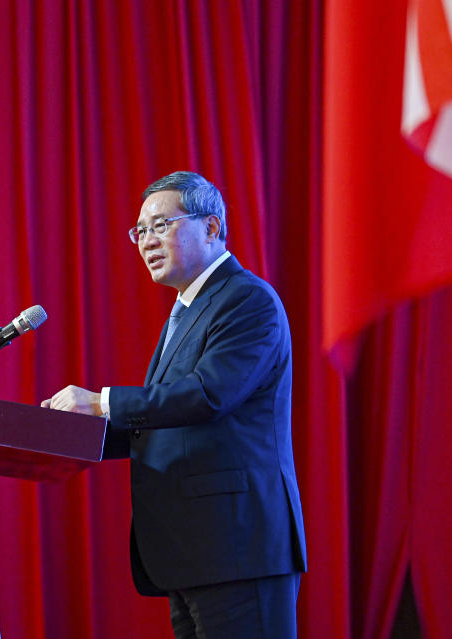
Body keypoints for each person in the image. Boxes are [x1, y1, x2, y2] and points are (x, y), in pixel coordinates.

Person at [42, 171, 306, 638]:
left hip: (238, 546)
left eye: (161, 225)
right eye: (140, 231)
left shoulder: (247, 301)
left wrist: (102, 402)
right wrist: (69, 433)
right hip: (195, 551)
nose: (146, 241)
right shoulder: (186, 309)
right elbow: (164, 423)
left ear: (211, 227)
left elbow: (207, 395)